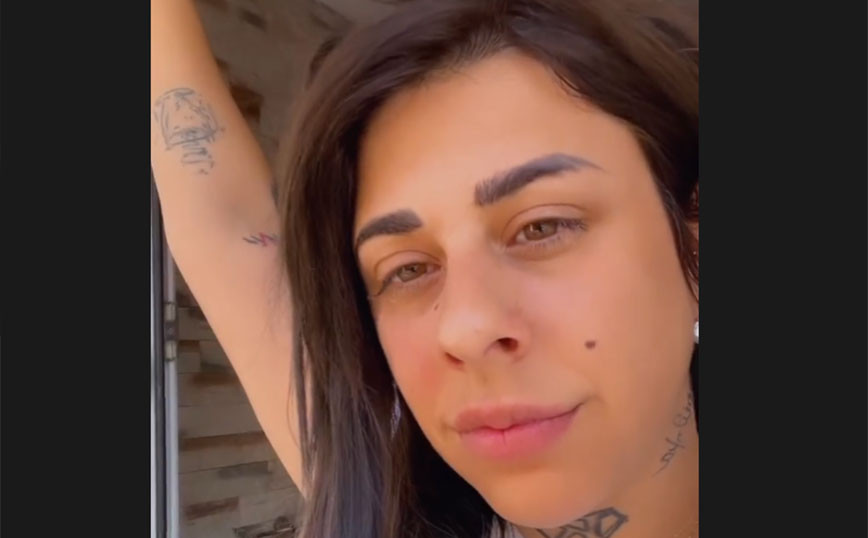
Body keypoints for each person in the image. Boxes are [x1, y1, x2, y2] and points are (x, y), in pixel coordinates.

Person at [150, 0, 699, 537]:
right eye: (407, 270)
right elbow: (225, 222)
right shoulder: (388, 510)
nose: (465, 327)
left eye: (541, 227)